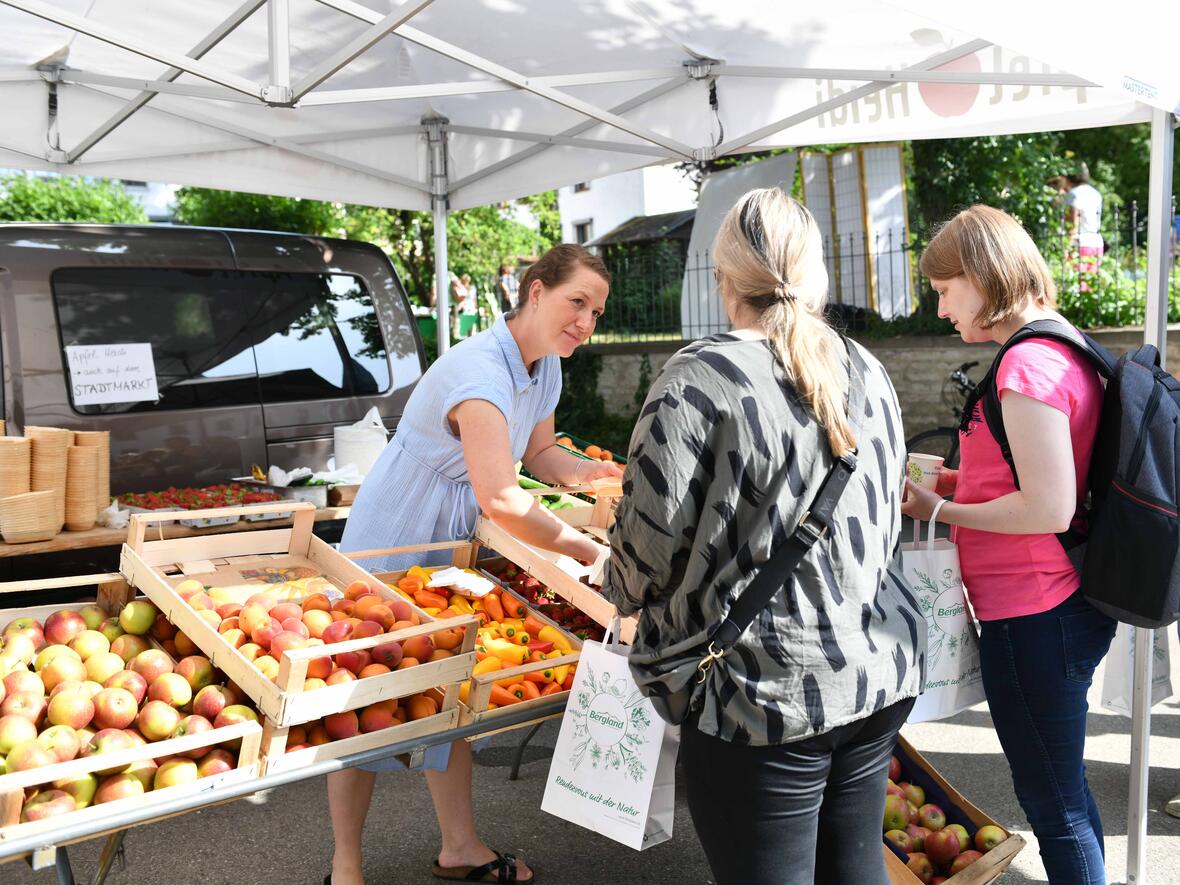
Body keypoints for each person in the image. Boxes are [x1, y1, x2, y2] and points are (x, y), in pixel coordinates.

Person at [601, 187, 924, 885]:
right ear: (816, 277)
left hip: (761, 690)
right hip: (873, 669)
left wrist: (617, 587)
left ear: (723, 282)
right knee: (857, 871)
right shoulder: (867, 369)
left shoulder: (696, 377)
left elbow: (643, 555)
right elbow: (886, 518)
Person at [329, 244, 623, 885]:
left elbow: (541, 456)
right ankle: (345, 868)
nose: (586, 322)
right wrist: (578, 548)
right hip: (397, 531)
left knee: (453, 682)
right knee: (366, 697)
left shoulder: (543, 367)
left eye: (596, 312)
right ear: (537, 291)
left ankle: (459, 846)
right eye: (578, 302)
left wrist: (588, 473)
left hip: (450, 532)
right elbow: (501, 496)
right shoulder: (481, 373)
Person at [901, 205, 1114, 884]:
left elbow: (1046, 504)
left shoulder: (1026, 364)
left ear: (982, 275)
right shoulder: (1058, 346)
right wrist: (960, 483)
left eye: (944, 288)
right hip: (1058, 603)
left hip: (1034, 611)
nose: (941, 308)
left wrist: (942, 507)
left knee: (1054, 809)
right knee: (1067, 790)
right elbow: (1034, 476)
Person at [1051, 164, 1104, 274]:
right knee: (1090, 286)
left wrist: (1066, 247)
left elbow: (1073, 223)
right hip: (1096, 243)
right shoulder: (1096, 193)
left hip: (1079, 245)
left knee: (1075, 286)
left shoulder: (1074, 194)